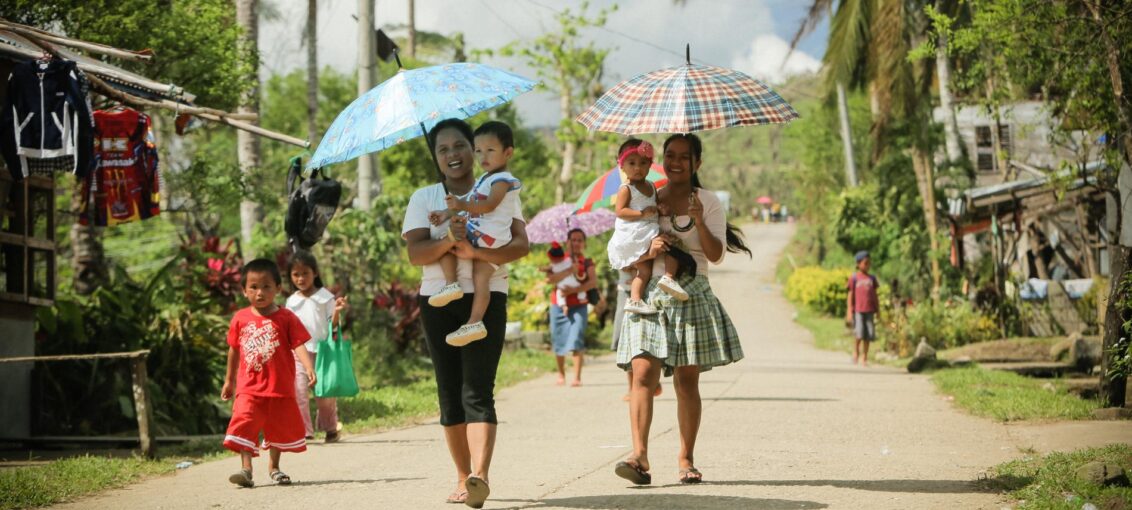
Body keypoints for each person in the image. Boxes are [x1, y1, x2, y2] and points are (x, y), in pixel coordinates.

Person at [402, 118, 529, 508]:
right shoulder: (424, 198)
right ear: (436, 158)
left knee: (477, 389)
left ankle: (480, 477)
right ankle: (461, 477)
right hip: (438, 299)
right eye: (443, 149)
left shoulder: (499, 188)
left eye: (460, 146)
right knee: (449, 392)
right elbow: (415, 254)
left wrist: (477, 254)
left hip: (486, 296)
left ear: (473, 150)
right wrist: (449, 238)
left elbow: (521, 244)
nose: (453, 155)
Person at [614, 133, 751, 486]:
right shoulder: (647, 197)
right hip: (650, 293)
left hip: (690, 292)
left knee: (687, 382)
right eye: (669, 155)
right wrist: (651, 249)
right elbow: (627, 248)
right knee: (642, 373)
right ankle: (639, 457)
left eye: (683, 157)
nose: (675, 162)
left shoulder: (708, 201)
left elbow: (717, 254)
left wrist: (699, 220)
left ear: (697, 163)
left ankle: (686, 458)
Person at [221, 259, 315, 488]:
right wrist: (229, 380)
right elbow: (234, 350)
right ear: (244, 290)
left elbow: (298, 344)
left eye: (266, 287)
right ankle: (246, 469)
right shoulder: (240, 319)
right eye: (253, 287)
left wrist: (309, 366)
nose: (260, 292)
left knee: (278, 429)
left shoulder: (286, 318)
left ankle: (274, 467)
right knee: (244, 422)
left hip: (279, 386)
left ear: (278, 289)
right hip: (249, 387)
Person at [427, 121, 522, 347]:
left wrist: (460, 204)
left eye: (490, 150)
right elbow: (470, 203)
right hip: (480, 232)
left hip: (490, 239)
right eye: (479, 151)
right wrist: (445, 213)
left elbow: (488, 205)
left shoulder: (502, 180)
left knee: (478, 276)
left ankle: (473, 318)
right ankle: (456, 291)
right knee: (448, 242)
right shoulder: (486, 178)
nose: (483, 157)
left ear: (508, 153)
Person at [607, 139, 688, 316]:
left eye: (643, 163)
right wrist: (641, 214)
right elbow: (620, 211)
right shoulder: (626, 189)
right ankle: (669, 277)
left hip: (647, 229)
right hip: (635, 232)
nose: (637, 168)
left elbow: (655, 204)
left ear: (650, 164)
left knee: (644, 270)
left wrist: (661, 208)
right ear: (622, 166)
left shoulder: (651, 186)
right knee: (671, 242)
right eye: (632, 163)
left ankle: (635, 300)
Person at [286, 250, 348, 442]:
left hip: (323, 352)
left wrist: (337, 311)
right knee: (299, 392)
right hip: (298, 352)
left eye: (305, 273)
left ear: (315, 273)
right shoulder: (291, 301)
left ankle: (330, 428)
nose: (301, 278)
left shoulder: (325, 297)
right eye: (296, 274)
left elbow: (334, 325)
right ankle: (305, 432)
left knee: (325, 394)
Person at [545, 228, 596, 387]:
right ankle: (561, 374)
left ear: (584, 243)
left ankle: (577, 377)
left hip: (579, 306)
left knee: (577, 337)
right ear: (567, 242)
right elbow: (550, 279)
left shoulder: (587, 262)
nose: (576, 243)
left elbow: (592, 282)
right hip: (558, 305)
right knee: (558, 338)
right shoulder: (559, 260)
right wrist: (569, 270)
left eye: (579, 240)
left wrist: (573, 290)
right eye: (573, 239)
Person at [845, 250, 879, 366]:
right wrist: (849, 311)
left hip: (870, 311)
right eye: (865, 263)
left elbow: (875, 295)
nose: (867, 265)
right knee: (859, 333)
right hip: (858, 311)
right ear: (858, 264)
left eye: (869, 263)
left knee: (868, 334)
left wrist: (878, 310)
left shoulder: (872, 279)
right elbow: (850, 295)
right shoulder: (854, 278)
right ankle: (856, 353)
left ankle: (865, 356)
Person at [545, 241, 584, 313]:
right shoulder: (569, 260)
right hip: (572, 286)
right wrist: (569, 271)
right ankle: (582, 297)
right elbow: (548, 280)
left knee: (559, 293)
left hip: (577, 305)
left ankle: (563, 306)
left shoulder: (554, 265)